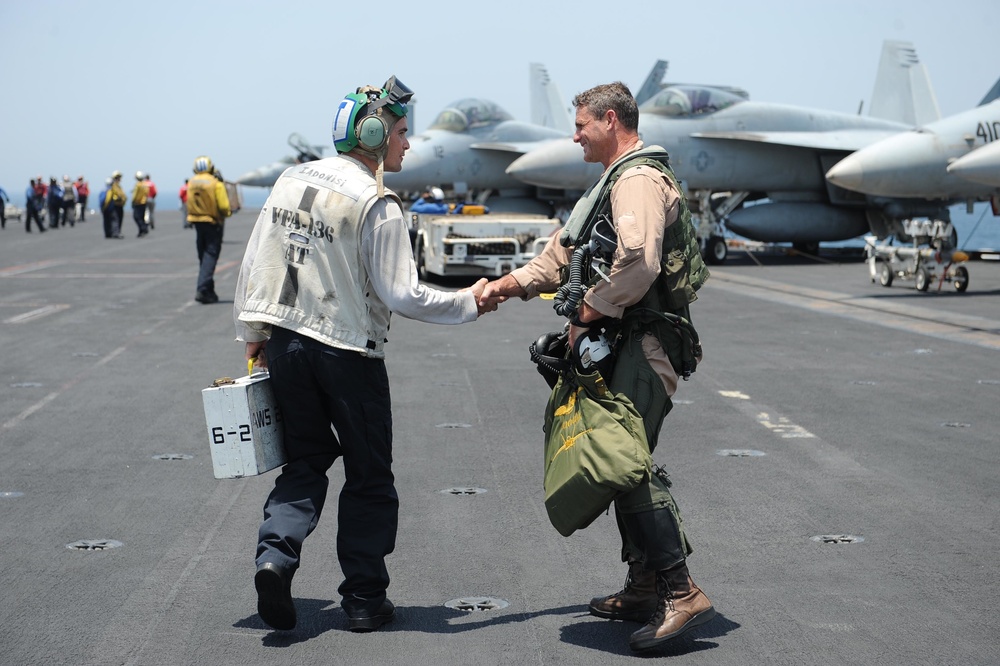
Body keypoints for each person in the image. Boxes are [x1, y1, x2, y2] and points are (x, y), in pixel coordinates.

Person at [233, 75, 498, 634]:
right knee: (369, 475)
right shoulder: (377, 202)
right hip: (348, 355)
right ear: (375, 133)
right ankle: (362, 600)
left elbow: (257, 260)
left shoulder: (288, 180)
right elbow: (403, 294)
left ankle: (275, 558)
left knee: (304, 463)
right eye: (402, 133)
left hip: (285, 347)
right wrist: (471, 301)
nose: (407, 144)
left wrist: (253, 330)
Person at [479, 81, 715, 652]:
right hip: (622, 342)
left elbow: (637, 261)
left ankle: (681, 593)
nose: (575, 134)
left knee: (621, 460)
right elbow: (563, 255)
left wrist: (586, 315)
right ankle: (642, 586)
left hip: (643, 344)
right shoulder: (613, 181)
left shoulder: (635, 179)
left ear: (611, 120)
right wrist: (506, 286)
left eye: (582, 124)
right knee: (617, 459)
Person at [186, 156, 231, 303]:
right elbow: (224, 207)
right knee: (210, 256)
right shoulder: (215, 183)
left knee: (203, 256)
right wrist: (227, 214)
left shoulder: (191, 182)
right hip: (212, 223)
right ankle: (202, 289)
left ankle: (209, 291)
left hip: (197, 223)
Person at [130, 171, 151, 237]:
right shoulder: (145, 184)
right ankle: (141, 231)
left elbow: (135, 195)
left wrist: (133, 201)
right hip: (144, 202)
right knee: (141, 217)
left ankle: (143, 228)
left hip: (138, 203)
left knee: (136, 217)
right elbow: (147, 193)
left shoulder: (137, 185)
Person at [110, 171, 127, 236]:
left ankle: (118, 231)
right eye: (118, 177)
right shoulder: (113, 186)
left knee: (119, 218)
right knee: (115, 219)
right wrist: (117, 198)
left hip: (120, 205)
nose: (119, 179)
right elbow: (112, 195)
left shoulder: (119, 186)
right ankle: (116, 232)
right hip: (115, 205)